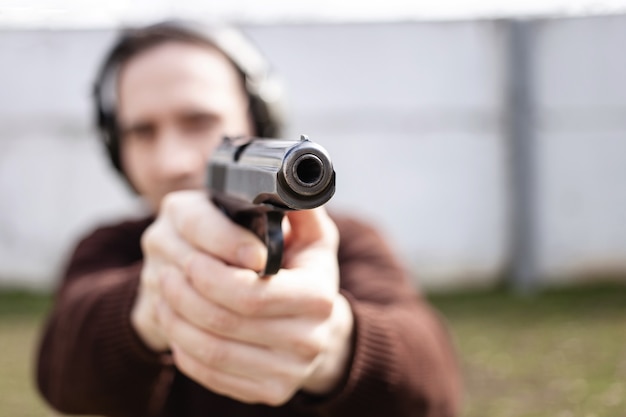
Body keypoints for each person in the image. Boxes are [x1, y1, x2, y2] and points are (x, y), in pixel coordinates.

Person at [36, 20, 461, 417]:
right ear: (117, 149)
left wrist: (334, 344)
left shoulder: (347, 240)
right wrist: (148, 307)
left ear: (257, 121)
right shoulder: (108, 248)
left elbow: (435, 387)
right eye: (142, 132)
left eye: (199, 121)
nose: (173, 161)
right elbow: (59, 373)